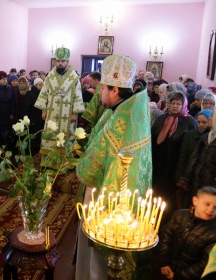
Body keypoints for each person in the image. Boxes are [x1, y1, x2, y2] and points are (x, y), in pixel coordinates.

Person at [75, 55, 152, 280]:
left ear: (114, 90)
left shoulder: (122, 120)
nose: (99, 93)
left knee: (99, 252)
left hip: (110, 197)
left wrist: (81, 162)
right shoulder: (132, 108)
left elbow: (89, 170)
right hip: (128, 194)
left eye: (102, 89)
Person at [151, 91, 198, 222]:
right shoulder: (162, 119)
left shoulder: (189, 122)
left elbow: (190, 150)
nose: (175, 106)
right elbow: (153, 138)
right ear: (168, 104)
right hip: (158, 166)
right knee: (155, 194)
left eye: (178, 103)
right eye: (173, 103)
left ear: (183, 105)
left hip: (175, 168)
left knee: (170, 198)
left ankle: (166, 222)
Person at [157, 186, 216, 280]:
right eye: (207, 204)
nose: (211, 210)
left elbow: (205, 262)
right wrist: (164, 261)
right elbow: (166, 237)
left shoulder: (213, 232)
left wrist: (179, 276)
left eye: (215, 207)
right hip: (166, 266)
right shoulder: (180, 215)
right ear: (195, 201)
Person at [34, 47, 85, 157]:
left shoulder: (74, 77)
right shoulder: (50, 76)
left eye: (63, 61)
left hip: (67, 114)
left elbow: (78, 96)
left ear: (67, 62)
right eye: (58, 61)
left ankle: (64, 163)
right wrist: (43, 110)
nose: (60, 63)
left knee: (66, 136)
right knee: (50, 135)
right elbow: (44, 93)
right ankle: (48, 160)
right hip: (51, 113)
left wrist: (75, 113)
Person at [175, 109, 212, 208]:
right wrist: (181, 178)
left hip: (203, 180)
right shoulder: (189, 135)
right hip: (189, 177)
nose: (201, 124)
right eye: (199, 122)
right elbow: (183, 158)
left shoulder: (210, 139)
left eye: (204, 122)